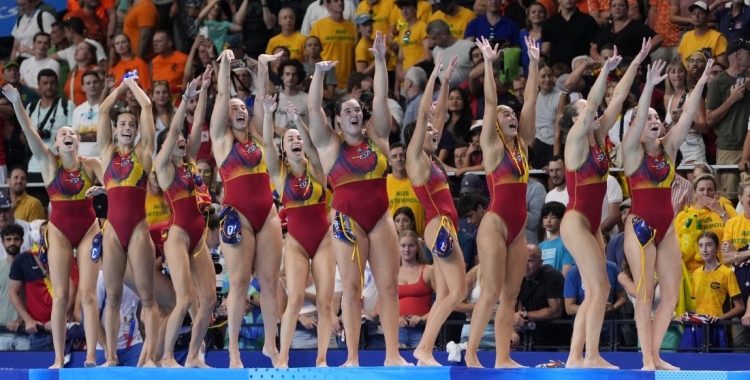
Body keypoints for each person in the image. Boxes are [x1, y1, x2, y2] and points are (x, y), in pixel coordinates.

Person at [307, 31, 410, 367]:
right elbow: (313, 108)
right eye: (348, 110)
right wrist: (321, 73)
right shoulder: (329, 144)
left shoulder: (377, 136)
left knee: (388, 288)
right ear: (338, 119)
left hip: (381, 219)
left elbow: (380, 97)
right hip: (347, 220)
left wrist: (381, 59)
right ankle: (352, 358)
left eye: (357, 110)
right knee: (351, 289)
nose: (355, 113)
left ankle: (393, 355)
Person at [557, 39, 650, 369]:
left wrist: (636, 64)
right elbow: (596, 98)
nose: (593, 112)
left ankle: (574, 357)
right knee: (598, 287)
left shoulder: (599, 137)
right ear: (573, 121)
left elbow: (617, 100)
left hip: (592, 222)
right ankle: (592, 356)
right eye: (584, 111)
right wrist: (604, 71)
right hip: (576, 220)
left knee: (600, 287)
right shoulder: (575, 141)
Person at [621, 54, 713, 369]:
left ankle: (655, 355)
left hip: (667, 227)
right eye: (647, 118)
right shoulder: (630, 152)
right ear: (635, 126)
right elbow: (635, 127)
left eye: (656, 116)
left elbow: (687, 115)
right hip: (640, 226)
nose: (654, 120)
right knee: (645, 295)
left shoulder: (667, 147)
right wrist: (648, 86)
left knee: (671, 296)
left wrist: (699, 83)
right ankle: (646, 359)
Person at [3, 84, 102, 368]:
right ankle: (58, 358)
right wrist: (18, 104)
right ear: (56, 144)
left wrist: (103, 190)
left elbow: (112, 182)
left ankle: (93, 356)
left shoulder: (91, 163)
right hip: (58, 232)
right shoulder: (49, 162)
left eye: (72, 133)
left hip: (88, 231)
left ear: (78, 141)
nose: (69, 135)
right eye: (63, 134)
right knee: (60, 297)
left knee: (88, 294)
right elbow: (31, 134)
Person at [463, 35, 539, 368]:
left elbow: (532, 102)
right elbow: (491, 103)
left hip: (518, 229)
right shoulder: (493, 147)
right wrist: (490, 65)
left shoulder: (522, 145)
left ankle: (503, 357)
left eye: (513, 113)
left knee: (510, 295)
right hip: (494, 224)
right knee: (491, 292)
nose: (510, 115)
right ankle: (471, 353)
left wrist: (535, 64)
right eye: (505, 113)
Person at [210, 49, 283, 368]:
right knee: (239, 281)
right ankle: (234, 352)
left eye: (243, 106)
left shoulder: (255, 135)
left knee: (269, 281)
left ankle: (271, 345)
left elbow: (262, 97)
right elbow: (224, 92)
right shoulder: (221, 139)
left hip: (267, 214)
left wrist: (263, 67)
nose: (240, 108)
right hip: (237, 215)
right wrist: (224, 65)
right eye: (234, 107)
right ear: (226, 114)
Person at [260, 93, 334, 368]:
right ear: (283, 149)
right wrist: (268, 114)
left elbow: (314, 147)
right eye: (289, 139)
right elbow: (267, 143)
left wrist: (298, 123)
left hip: (324, 239)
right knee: (295, 300)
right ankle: (283, 357)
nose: (296, 142)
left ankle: (322, 359)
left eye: (298, 139)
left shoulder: (316, 169)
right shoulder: (280, 176)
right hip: (297, 243)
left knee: (326, 302)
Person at [402, 52, 463, 366]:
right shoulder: (416, 158)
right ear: (415, 135)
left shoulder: (432, 157)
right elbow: (426, 111)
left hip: (444, 225)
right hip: (438, 225)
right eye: (426, 131)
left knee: (451, 292)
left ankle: (425, 348)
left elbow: (436, 117)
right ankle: (423, 348)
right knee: (457, 291)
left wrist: (446, 80)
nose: (433, 131)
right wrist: (433, 77)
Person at [153, 68, 216, 368]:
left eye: (182, 138)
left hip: (199, 238)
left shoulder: (189, 161)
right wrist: (184, 99)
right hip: (177, 236)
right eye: (175, 137)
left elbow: (196, 125)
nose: (181, 139)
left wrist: (203, 90)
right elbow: (179, 125)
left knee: (210, 301)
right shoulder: (164, 167)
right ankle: (166, 357)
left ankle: (193, 356)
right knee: (185, 300)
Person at [97, 73, 159, 367]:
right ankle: (110, 358)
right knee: (113, 297)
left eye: (131, 125)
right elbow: (102, 111)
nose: (126, 127)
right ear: (115, 129)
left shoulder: (144, 154)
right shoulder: (107, 153)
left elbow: (147, 108)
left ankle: (149, 357)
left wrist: (132, 84)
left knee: (147, 298)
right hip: (111, 232)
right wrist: (119, 86)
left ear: (136, 133)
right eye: (122, 123)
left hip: (137, 230)